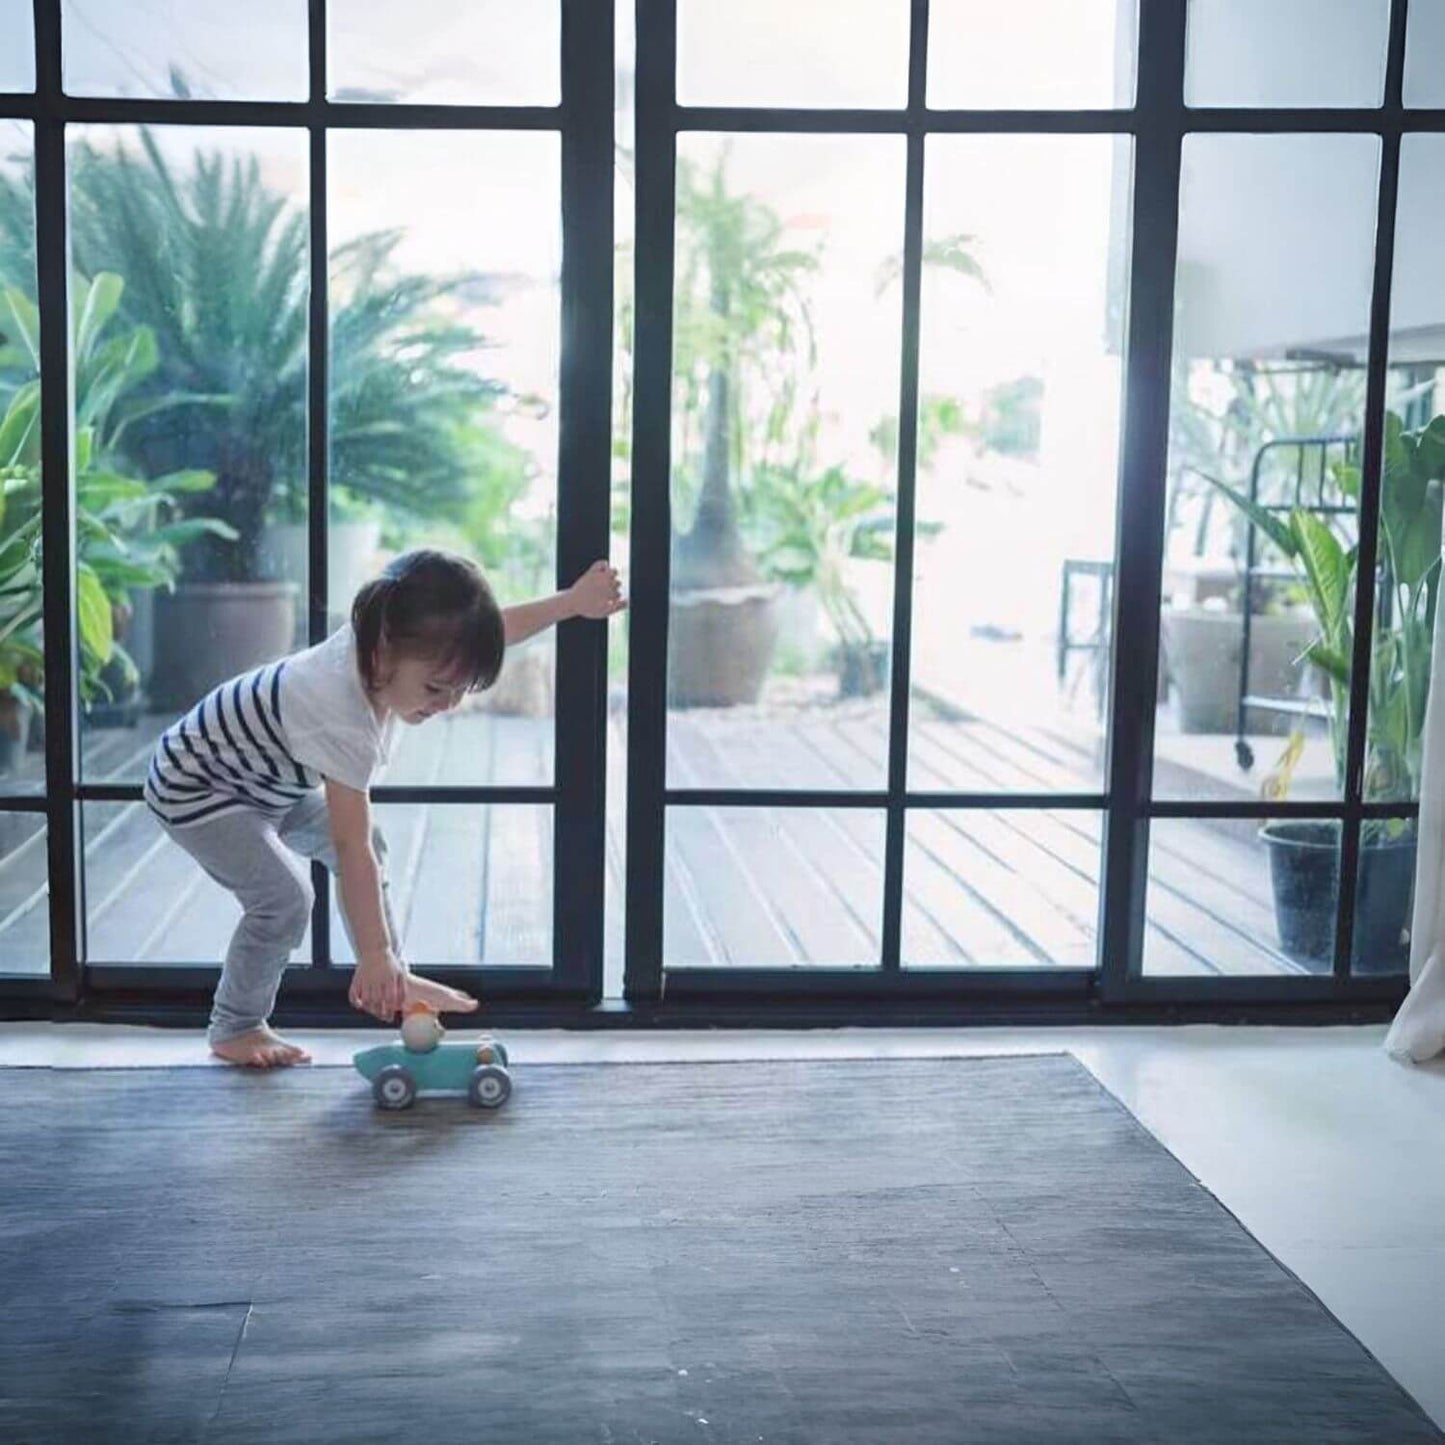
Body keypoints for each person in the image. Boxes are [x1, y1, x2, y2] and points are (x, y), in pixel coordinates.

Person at [143, 549, 626, 1069]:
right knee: (285, 899)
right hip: (197, 786)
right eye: (437, 688)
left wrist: (572, 603)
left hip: (267, 781)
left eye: (460, 688)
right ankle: (235, 1024)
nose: (448, 703)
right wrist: (369, 956)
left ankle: (392, 971)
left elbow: (490, 629)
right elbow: (349, 850)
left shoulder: (383, 636)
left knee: (369, 845)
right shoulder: (339, 712)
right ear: (379, 655)